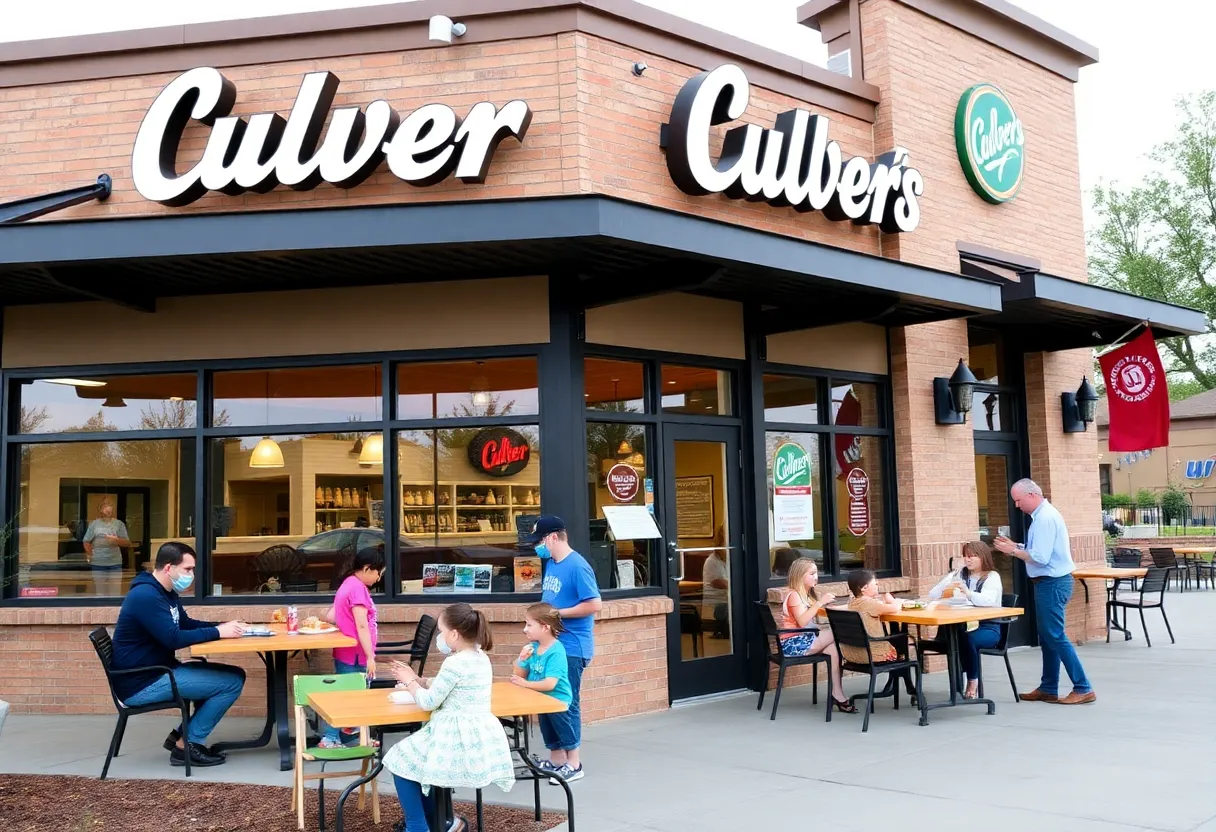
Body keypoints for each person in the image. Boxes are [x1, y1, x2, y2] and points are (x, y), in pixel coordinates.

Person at [111, 541, 248, 768]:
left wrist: (221, 627)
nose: (191, 575)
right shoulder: (146, 596)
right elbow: (173, 638)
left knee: (234, 675)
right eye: (188, 569)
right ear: (168, 567)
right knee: (231, 682)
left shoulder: (165, 592)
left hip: (158, 671)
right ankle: (186, 746)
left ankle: (180, 736)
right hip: (141, 683)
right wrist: (218, 632)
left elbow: (185, 623)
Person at [386, 603, 514, 832]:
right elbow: (450, 685)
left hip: (452, 738)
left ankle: (418, 826)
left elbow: (428, 702)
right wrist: (420, 680)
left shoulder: (454, 662)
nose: (440, 637)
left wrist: (410, 681)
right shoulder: (480, 657)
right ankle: (437, 822)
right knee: (417, 764)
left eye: (442, 632)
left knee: (398, 759)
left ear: (454, 634)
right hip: (479, 736)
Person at [994, 478, 1095, 705]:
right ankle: (1048, 687)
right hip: (1051, 582)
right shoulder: (1043, 516)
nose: (1017, 505)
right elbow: (1038, 551)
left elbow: (1040, 558)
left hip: (1052, 582)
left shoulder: (1044, 519)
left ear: (1032, 495)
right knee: (1049, 636)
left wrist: (1013, 551)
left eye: (1018, 500)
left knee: (1055, 635)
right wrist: (1017, 547)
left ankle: (1083, 687)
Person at [531, 515, 601, 783]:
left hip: (572, 646)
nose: (536, 547)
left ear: (552, 538)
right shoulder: (552, 563)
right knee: (545, 700)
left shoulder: (577, 566)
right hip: (549, 644)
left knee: (564, 701)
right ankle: (556, 758)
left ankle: (574, 762)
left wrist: (558, 614)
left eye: (539, 540)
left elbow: (594, 604)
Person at [319, 545, 385, 748]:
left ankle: (356, 735)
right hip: (356, 654)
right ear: (367, 568)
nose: (379, 578)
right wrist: (370, 656)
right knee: (350, 696)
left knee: (351, 694)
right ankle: (330, 738)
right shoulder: (358, 589)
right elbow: (361, 624)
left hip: (347, 652)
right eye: (378, 573)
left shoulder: (347, 583)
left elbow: (331, 615)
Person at [778, 557, 856, 713]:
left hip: (805, 640)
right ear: (800, 576)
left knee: (833, 649)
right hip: (793, 644)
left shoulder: (807, 595)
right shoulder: (794, 595)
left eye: (816, 573)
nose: (816, 577)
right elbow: (802, 622)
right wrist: (820, 603)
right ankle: (859, 656)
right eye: (812, 573)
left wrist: (849, 604)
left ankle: (837, 693)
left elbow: (821, 616)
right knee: (839, 631)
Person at [927, 541, 1003, 699]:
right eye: (965, 556)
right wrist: (950, 577)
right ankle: (956, 685)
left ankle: (972, 680)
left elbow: (988, 600)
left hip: (988, 627)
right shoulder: (961, 574)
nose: (968, 560)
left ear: (983, 557)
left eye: (972, 556)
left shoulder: (991, 577)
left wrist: (968, 593)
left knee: (968, 639)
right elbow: (933, 594)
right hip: (963, 625)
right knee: (953, 638)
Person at [511, 603, 574, 772]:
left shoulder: (556, 651)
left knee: (564, 733)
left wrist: (526, 684)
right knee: (549, 733)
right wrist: (522, 658)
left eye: (529, 625)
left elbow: (550, 683)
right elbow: (518, 675)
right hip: (542, 700)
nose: (525, 629)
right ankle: (556, 762)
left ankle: (574, 765)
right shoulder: (533, 647)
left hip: (557, 701)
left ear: (545, 627)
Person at [841, 569, 901, 664]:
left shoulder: (851, 603)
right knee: (901, 642)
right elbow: (895, 608)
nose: (877, 585)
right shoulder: (870, 604)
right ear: (864, 588)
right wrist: (890, 599)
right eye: (875, 584)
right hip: (874, 654)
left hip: (851, 654)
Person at [83, 498, 130, 597]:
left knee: (115, 593)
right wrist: (90, 555)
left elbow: (127, 543)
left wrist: (116, 540)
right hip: (98, 563)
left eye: (110, 507)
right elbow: (86, 541)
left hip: (115, 563)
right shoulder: (94, 524)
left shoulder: (119, 524)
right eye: (105, 507)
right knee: (100, 593)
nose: (107, 509)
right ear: (100, 510)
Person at [701, 526, 729, 639]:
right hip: (717, 597)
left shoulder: (727, 559)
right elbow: (719, 582)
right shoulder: (712, 561)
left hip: (725, 596)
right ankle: (721, 630)